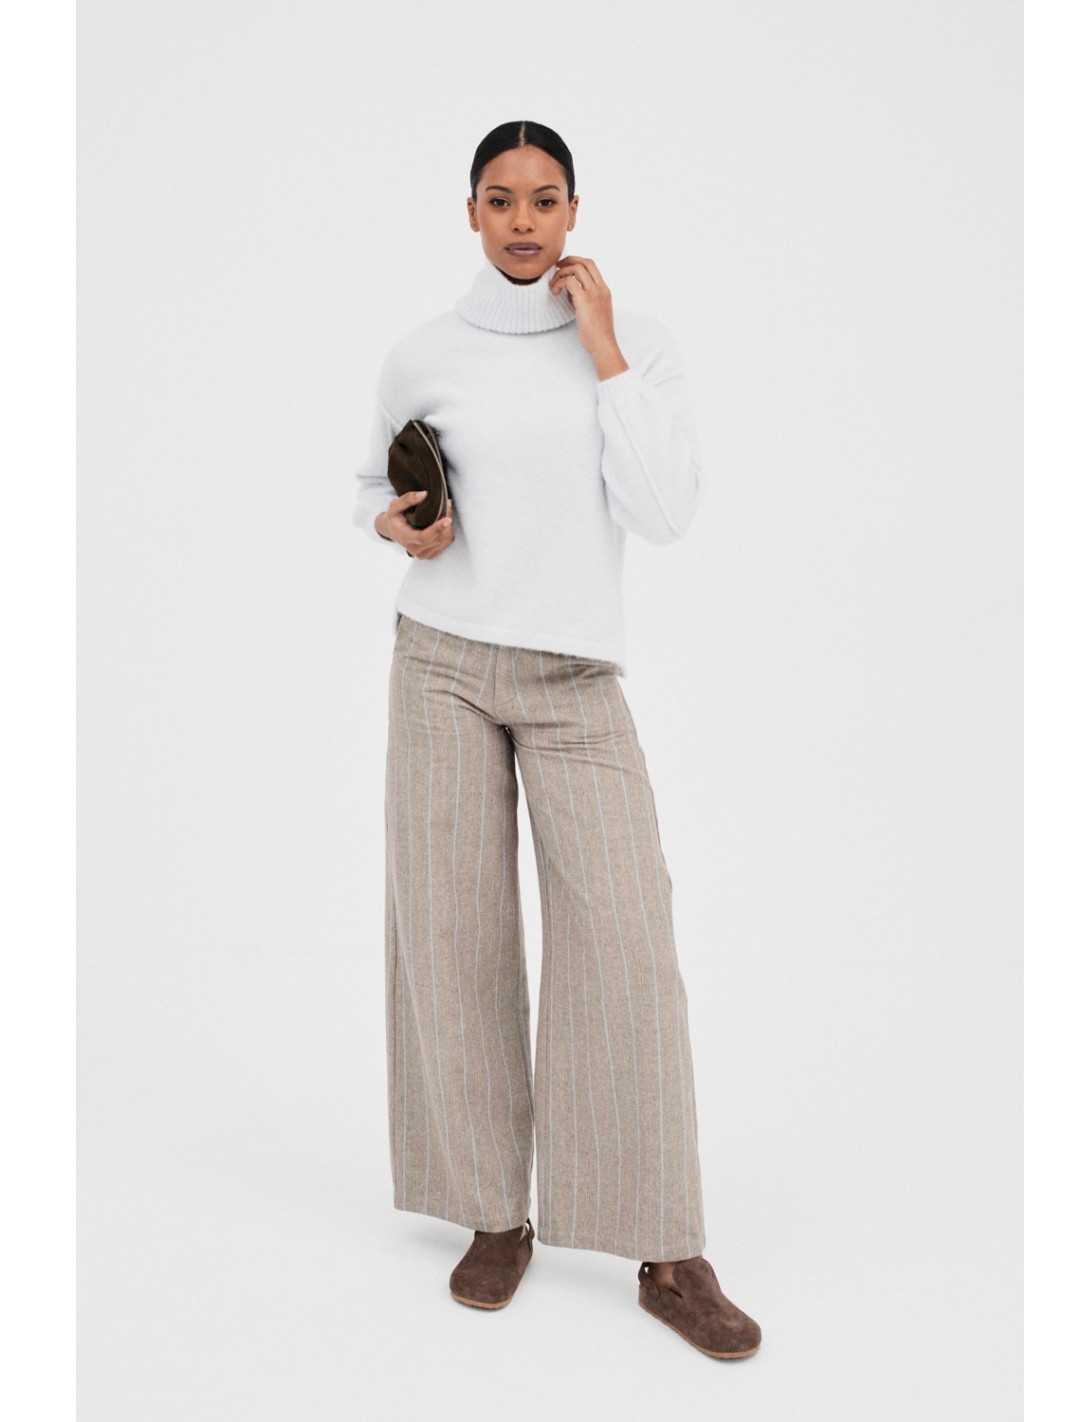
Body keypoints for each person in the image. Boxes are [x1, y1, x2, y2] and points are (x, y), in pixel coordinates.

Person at [351, 119, 761, 1361]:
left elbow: (665, 511)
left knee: (627, 946)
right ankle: (492, 1213)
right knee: (450, 936)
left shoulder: (633, 346)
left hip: (576, 677)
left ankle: (666, 1248)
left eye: (543, 199)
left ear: (574, 210)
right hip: (439, 664)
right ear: (469, 213)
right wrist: (399, 527)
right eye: (499, 198)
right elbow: (370, 489)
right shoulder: (423, 352)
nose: (522, 220)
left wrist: (605, 352)